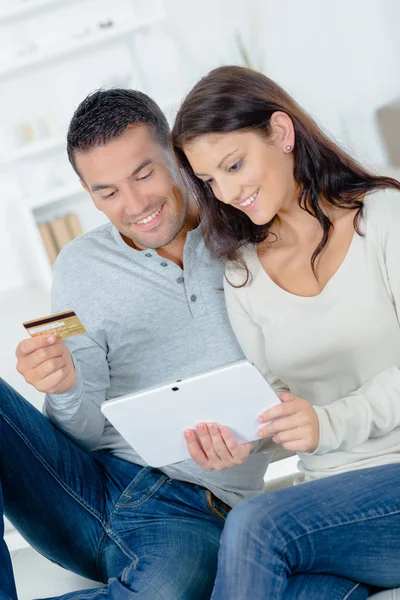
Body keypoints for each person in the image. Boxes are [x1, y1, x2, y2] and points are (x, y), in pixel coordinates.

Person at [0, 88, 276, 600]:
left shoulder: (252, 237)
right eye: (107, 192)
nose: (135, 205)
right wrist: (63, 384)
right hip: (85, 487)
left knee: (163, 592)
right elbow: (76, 431)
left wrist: (253, 438)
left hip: (193, 506)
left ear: (175, 152)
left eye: (144, 173)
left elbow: (302, 388)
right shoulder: (75, 265)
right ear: (88, 194)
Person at [171, 65, 400, 600]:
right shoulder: (242, 271)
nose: (227, 192)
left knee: (253, 525)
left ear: (281, 132)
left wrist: (328, 422)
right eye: (209, 181)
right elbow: (276, 398)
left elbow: (323, 421)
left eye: (234, 165)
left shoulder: (385, 218)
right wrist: (241, 439)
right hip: (330, 501)